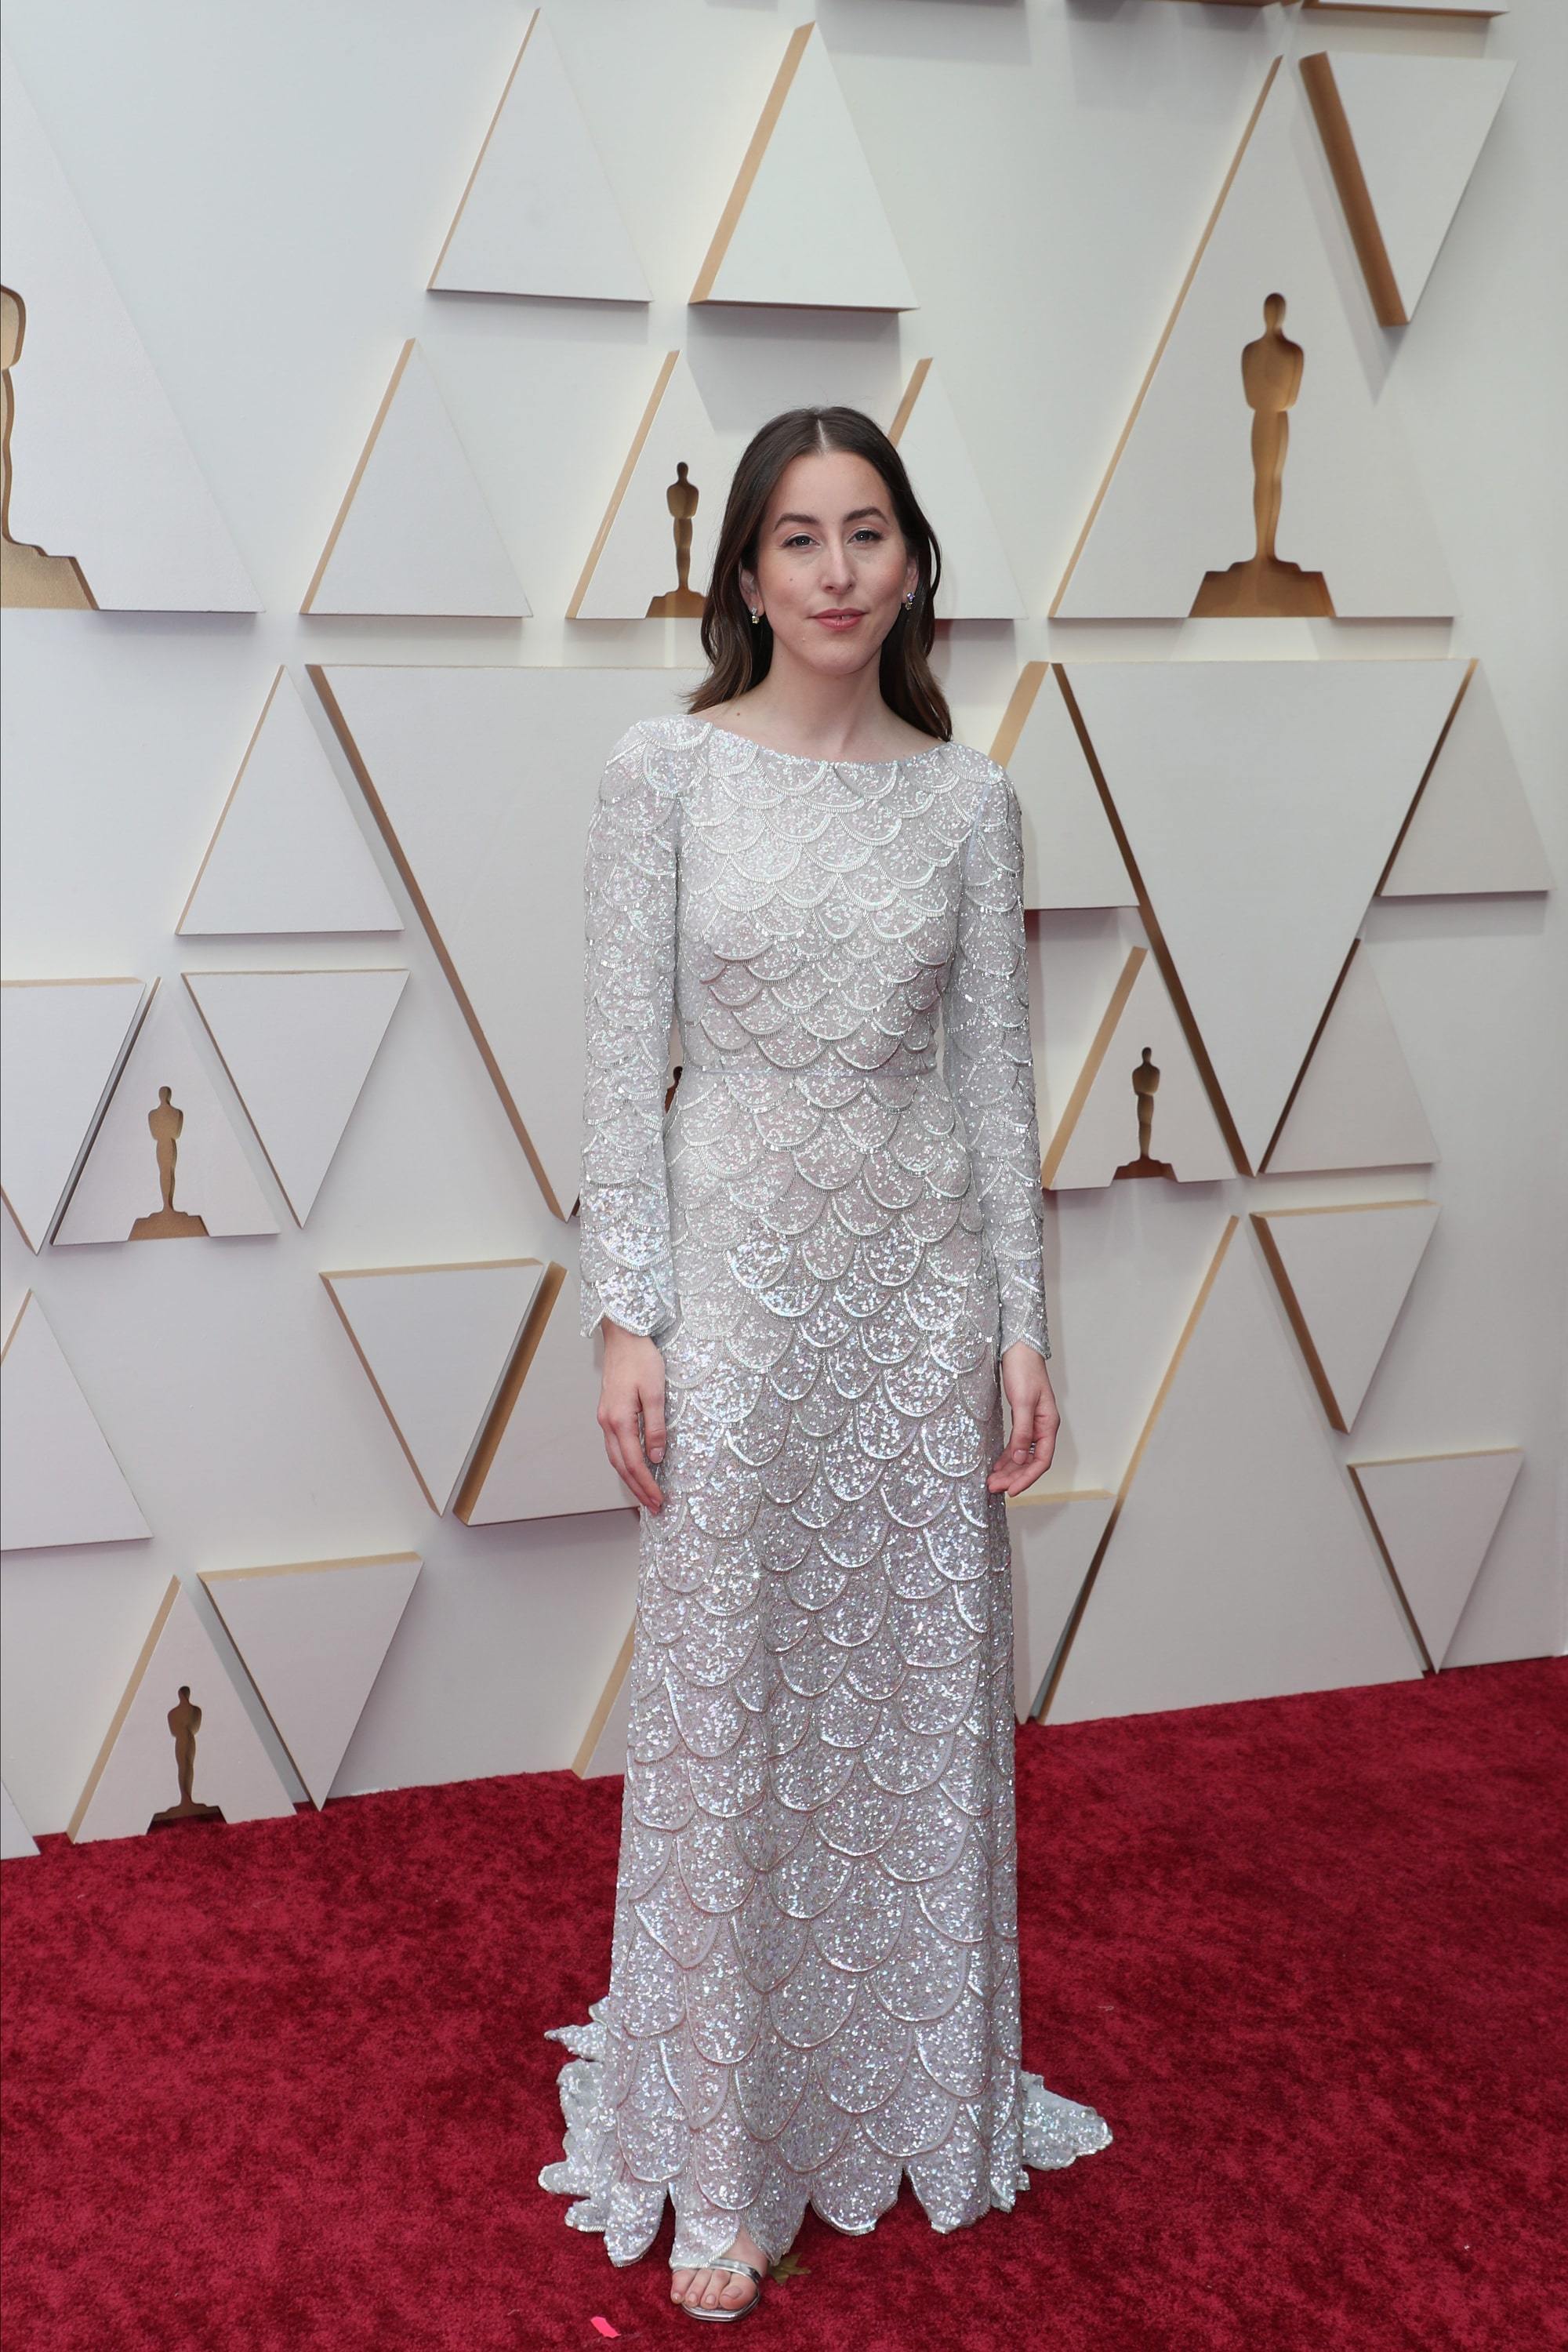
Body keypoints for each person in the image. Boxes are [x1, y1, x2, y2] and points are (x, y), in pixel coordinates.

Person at [539, 406, 1111, 2322]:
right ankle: (724, 2152)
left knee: (909, 1701)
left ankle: (908, 2084)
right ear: (748, 573)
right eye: (800, 537)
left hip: (913, 1296)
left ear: (914, 562)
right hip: (738, 1287)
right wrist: (629, 1312)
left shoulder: (970, 801)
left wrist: (1020, 1327)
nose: (840, 570)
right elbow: (621, 1069)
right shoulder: (665, 771)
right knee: (734, 1707)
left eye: (870, 532)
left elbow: (992, 1088)